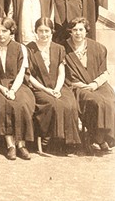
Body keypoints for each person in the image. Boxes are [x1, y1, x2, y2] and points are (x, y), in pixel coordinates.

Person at [63, 17, 115, 154]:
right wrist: (81, 85)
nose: (78, 33)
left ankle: (103, 136)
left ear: (86, 31)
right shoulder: (63, 49)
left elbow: (105, 72)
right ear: (70, 32)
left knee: (108, 101)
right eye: (74, 30)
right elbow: (64, 75)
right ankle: (98, 137)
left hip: (98, 84)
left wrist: (95, 84)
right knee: (94, 101)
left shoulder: (98, 48)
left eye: (81, 29)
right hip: (77, 86)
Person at [26, 18, 80, 153]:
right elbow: (29, 76)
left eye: (47, 31)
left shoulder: (59, 48)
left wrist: (56, 89)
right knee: (53, 104)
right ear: (35, 31)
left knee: (70, 103)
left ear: (52, 32)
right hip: (38, 87)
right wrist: (46, 90)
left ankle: (67, 142)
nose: (44, 34)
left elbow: (61, 72)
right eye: (40, 31)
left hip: (58, 86)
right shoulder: (28, 49)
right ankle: (48, 140)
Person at [0, 17, 35, 160]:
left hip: (17, 84)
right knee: (4, 104)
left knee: (22, 103)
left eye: (4, 31)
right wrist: (3, 89)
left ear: (11, 31)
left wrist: (13, 90)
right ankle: (10, 146)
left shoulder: (20, 48)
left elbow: (22, 72)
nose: (1, 34)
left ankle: (21, 144)